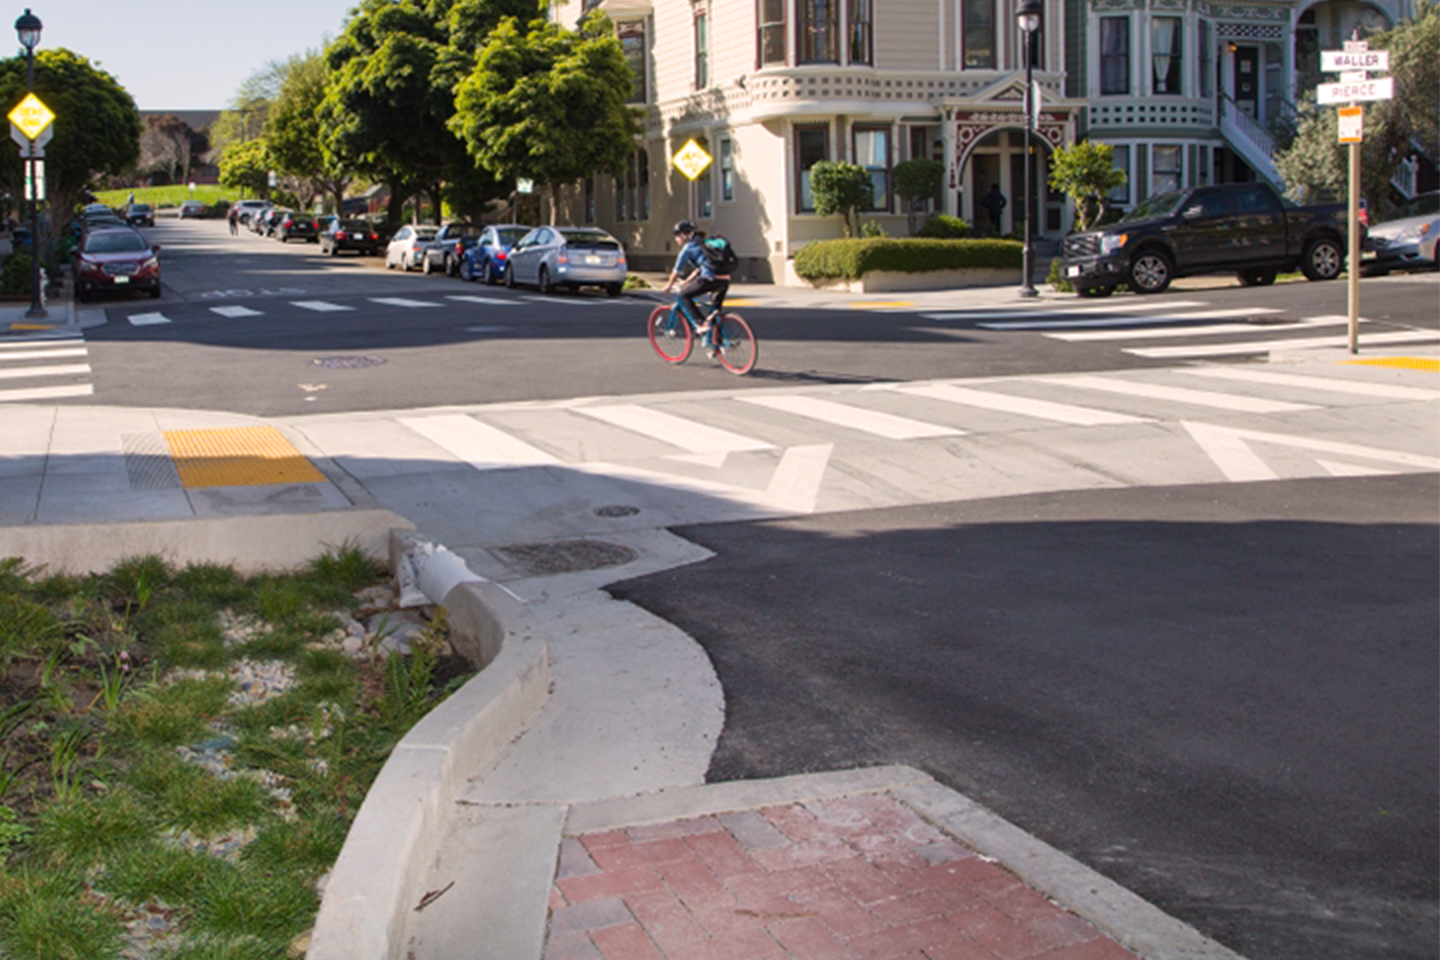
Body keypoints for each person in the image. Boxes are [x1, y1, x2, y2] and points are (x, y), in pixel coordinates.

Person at [662, 220, 729, 346]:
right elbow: (700, 267)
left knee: (684, 296)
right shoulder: (703, 243)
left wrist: (668, 286)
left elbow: (676, 270)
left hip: (709, 279)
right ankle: (716, 342)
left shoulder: (688, 248)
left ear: (685, 235)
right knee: (714, 313)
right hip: (724, 280)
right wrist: (687, 282)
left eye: (677, 235)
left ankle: (700, 324)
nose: (676, 238)